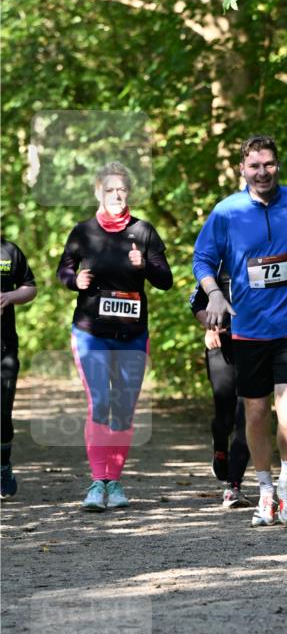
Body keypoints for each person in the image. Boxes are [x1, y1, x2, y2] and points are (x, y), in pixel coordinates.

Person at [192, 134, 287, 527]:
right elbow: (203, 259)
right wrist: (215, 297)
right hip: (249, 329)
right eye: (254, 166)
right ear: (242, 169)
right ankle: (264, 492)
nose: (262, 172)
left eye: (269, 164)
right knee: (256, 414)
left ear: (278, 166)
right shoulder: (227, 212)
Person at [57, 161, 173, 511]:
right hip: (91, 332)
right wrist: (72, 281)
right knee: (100, 403)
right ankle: (97, 482)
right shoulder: (84, 232)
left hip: (132, 334)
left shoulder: (144, 231)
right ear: (98, 193)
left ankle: (115, 483)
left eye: (122, 190)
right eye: (110, 190)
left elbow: (165, 280)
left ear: (129, 193)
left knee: (123, 408)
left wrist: (145, 266)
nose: (117, 196)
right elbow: (64, 268)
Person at [190, 264, 251, 508]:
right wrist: (209, 325)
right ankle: (219, 447)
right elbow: (196, 302)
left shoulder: (265, 255)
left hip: (256, 345)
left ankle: (234, 486)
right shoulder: (217, 263)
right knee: (225, 414)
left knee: (246, 414)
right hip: (220, 343)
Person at [0, 237, 37, 498]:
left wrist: (10, 296)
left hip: (4, 349)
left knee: (2, 412)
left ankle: (3, 466)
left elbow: (30, 287)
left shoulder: (9, 250)